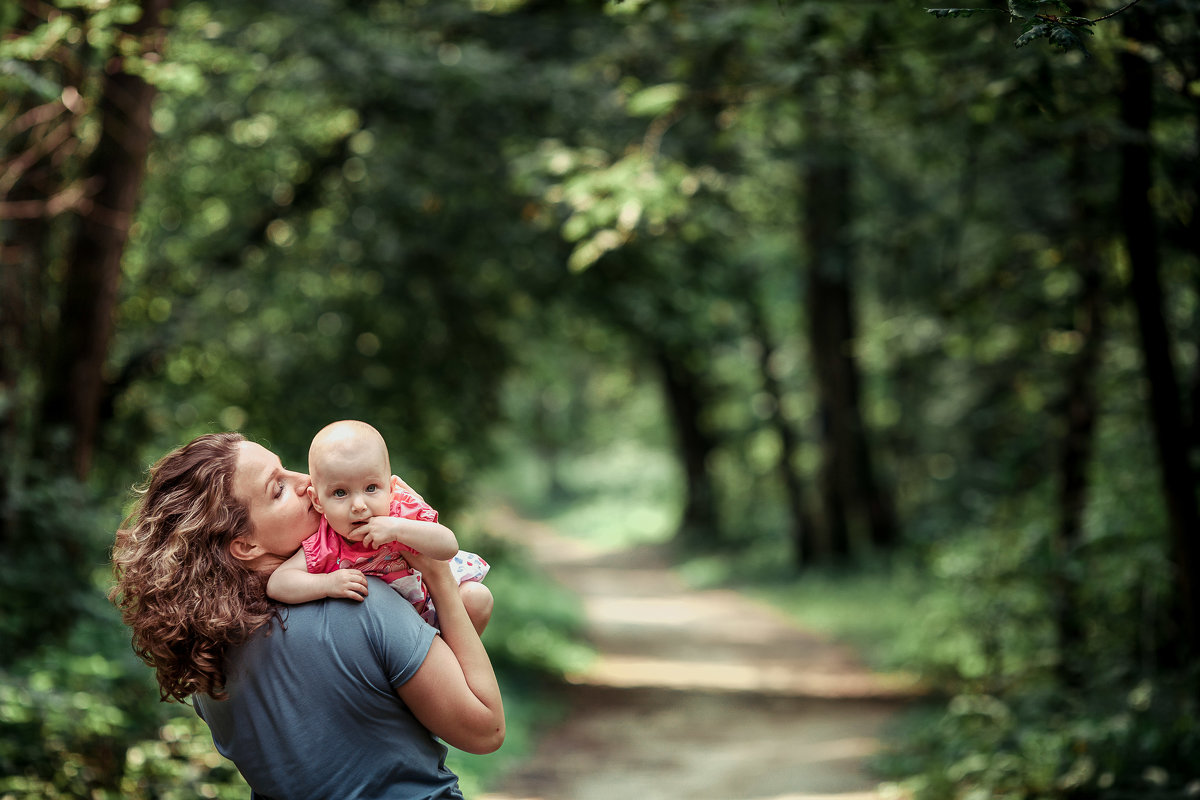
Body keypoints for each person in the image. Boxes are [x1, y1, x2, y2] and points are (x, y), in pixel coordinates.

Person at [109, 432, 504, 800]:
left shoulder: (206, 661)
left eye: (286, 469)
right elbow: (486, 731)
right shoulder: (362, 605)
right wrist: (438, 575)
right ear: (244, 544)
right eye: (278, 488)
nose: (305, 483)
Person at [267, 420, 493, 634]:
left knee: (477, 597)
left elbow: (448, 545)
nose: (359, 505)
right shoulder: (326, 541)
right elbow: (278, 583)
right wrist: (327, 583)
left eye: (371, 488)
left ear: (392, 488)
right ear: (317, 501)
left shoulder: (399, 513)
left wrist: (397, 529)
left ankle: (451, 657)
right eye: (340, 493)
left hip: (431, 607)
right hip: (392, 630)